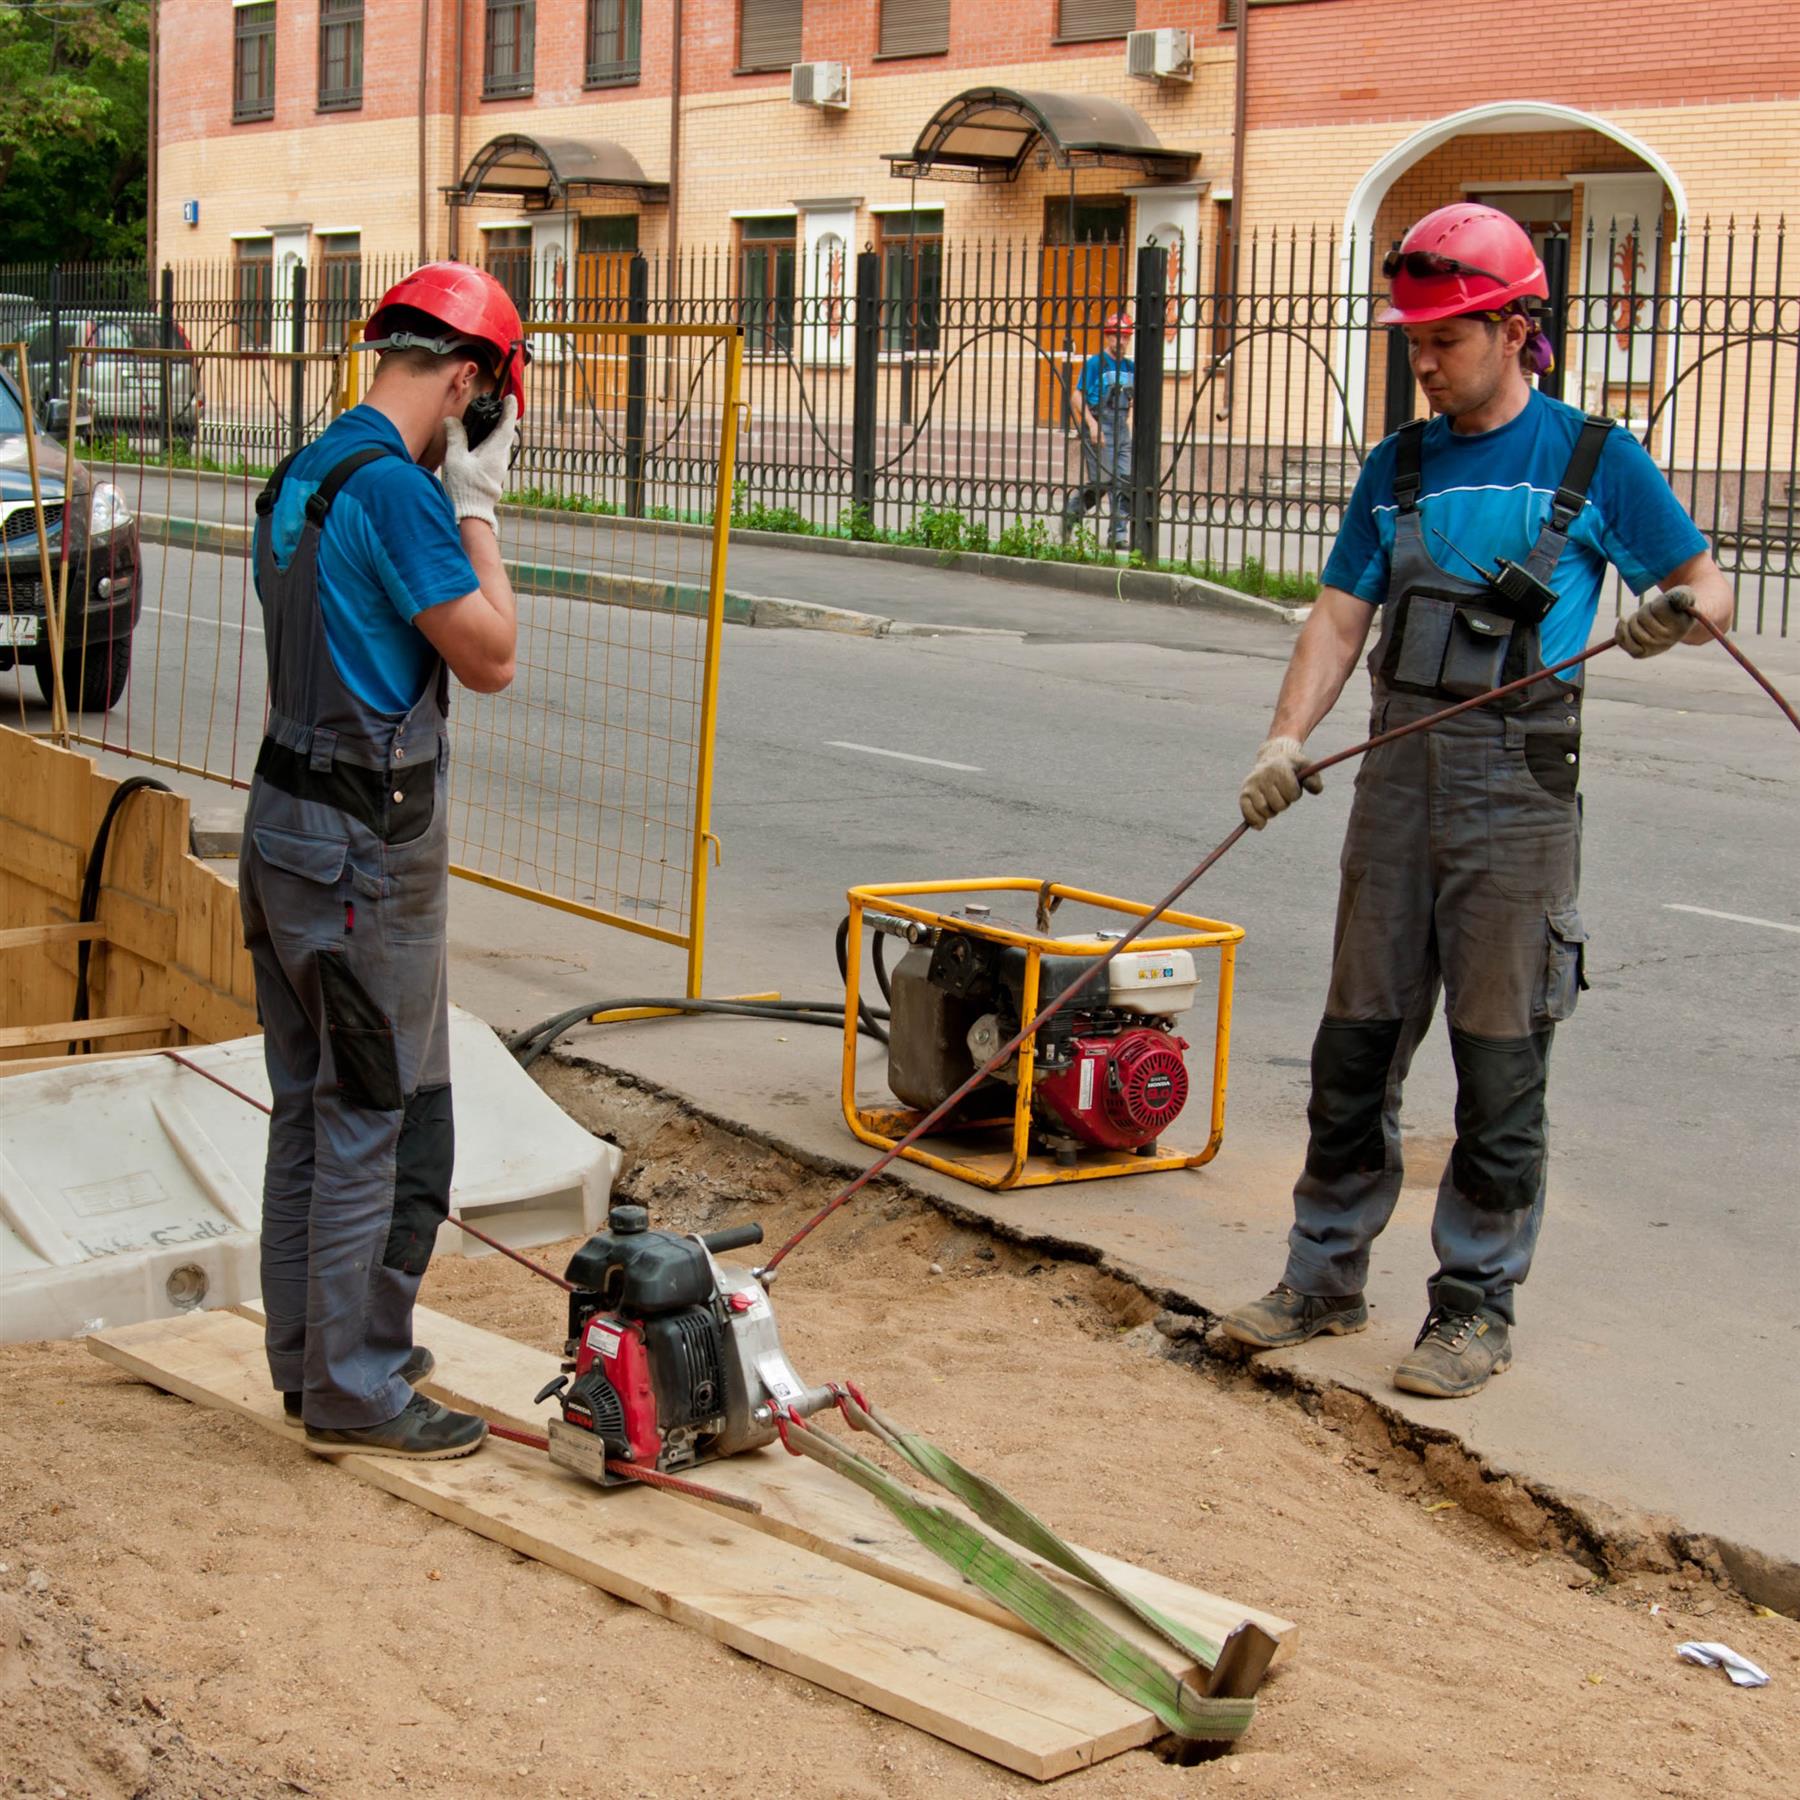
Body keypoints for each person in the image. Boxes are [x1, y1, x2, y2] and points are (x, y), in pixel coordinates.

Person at [1217, 204, 1734, 1397]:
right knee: (1356, 1043)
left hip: (1521, 790)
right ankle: (1321, 1278)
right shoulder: (1395, 468)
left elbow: (1710, 589)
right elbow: (1342, 616)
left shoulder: (1598, 460)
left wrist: (1667, 619)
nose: (1424, 358)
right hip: (1395, 780)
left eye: (1446, 338)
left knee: (1500, 1062)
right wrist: (1286, 741)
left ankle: (1473, 1309)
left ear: (1514, 328)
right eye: (1414, 340)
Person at [239, 262, 528, 1458]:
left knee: (309, 1106)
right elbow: (491, 654)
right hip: (369, 846)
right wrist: (479, 508)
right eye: (487, 393)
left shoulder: (304, 467)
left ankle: (315, 1364)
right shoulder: (406, 498)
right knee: (372, 1112)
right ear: (468, 381)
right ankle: (356, 1389)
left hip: (284, 828)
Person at [1063, 312, 1135, 551]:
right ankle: (1071, 513)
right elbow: (1076, 396)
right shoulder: (1096, 364)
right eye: (1116, 336)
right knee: (1103, 482)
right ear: (1107, 337)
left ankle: (1118, 535)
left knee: (1124, 482)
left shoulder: (1130, 366)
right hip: (1099, 424)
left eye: (1125, 336)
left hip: (1121, 428)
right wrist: (1092, 425)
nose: (1121, 341)